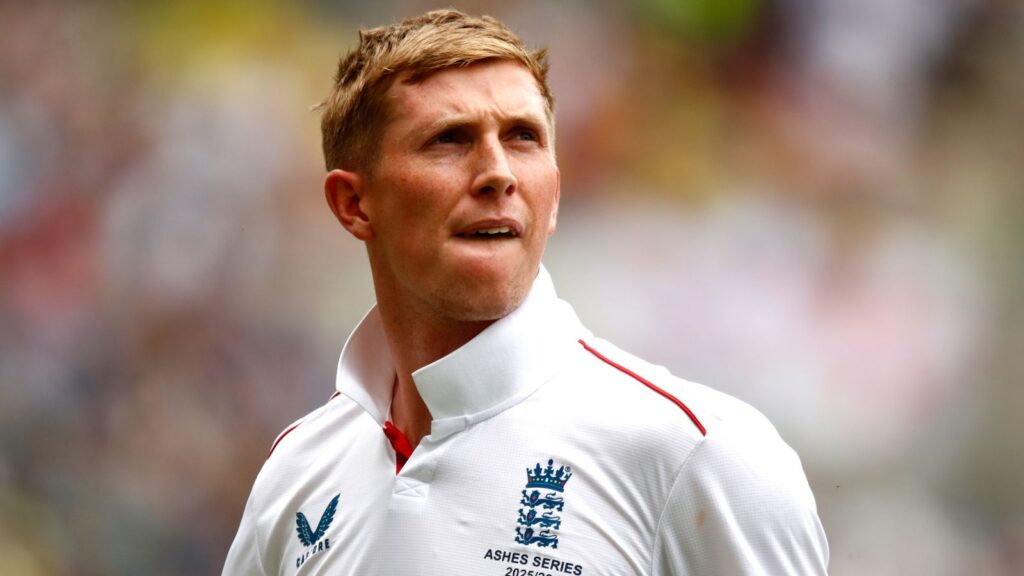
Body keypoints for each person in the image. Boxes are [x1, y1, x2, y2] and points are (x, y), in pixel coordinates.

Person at [223, 9, 828, 575]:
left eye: (522, 138)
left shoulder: (697, 453)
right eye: (450, 139)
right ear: (354, 203)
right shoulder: (296, 474)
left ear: (554, 196)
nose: (498, 174)